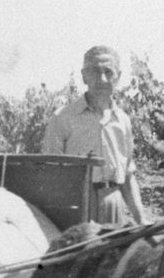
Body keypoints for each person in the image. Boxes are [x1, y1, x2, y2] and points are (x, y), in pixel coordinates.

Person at [42, 45, 147, 224]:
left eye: (108, 72)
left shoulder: (123, 121)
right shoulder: (63, 117)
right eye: (95, 71)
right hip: (76, 206)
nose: (102, 79)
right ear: (84, 76)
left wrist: (141, 219)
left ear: (118, 77)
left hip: (114, 205)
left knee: (116, 251)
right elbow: (50, 173)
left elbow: (128, 177)